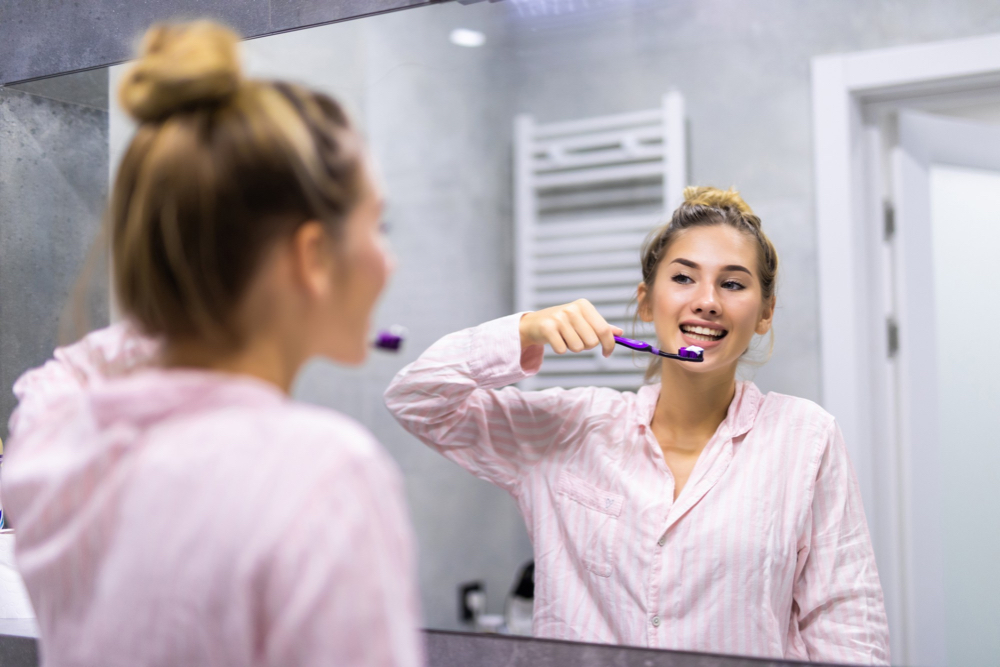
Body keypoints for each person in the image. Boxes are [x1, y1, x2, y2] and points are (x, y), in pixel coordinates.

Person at [2, 21, 422, 667]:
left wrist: (196, 305)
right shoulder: (324, 472)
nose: (390, 261)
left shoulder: (56, 451)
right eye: (379, 226)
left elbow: (52, 380)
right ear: (311, 256)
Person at [385, 187, 890, 664]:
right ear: (646, 302)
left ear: (765, 313)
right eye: (684, 277)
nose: (708, 300)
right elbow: (416, 398)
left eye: (733, 283)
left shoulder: (806, 438)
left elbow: (846, 623)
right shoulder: (570, 427)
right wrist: (524, 331)